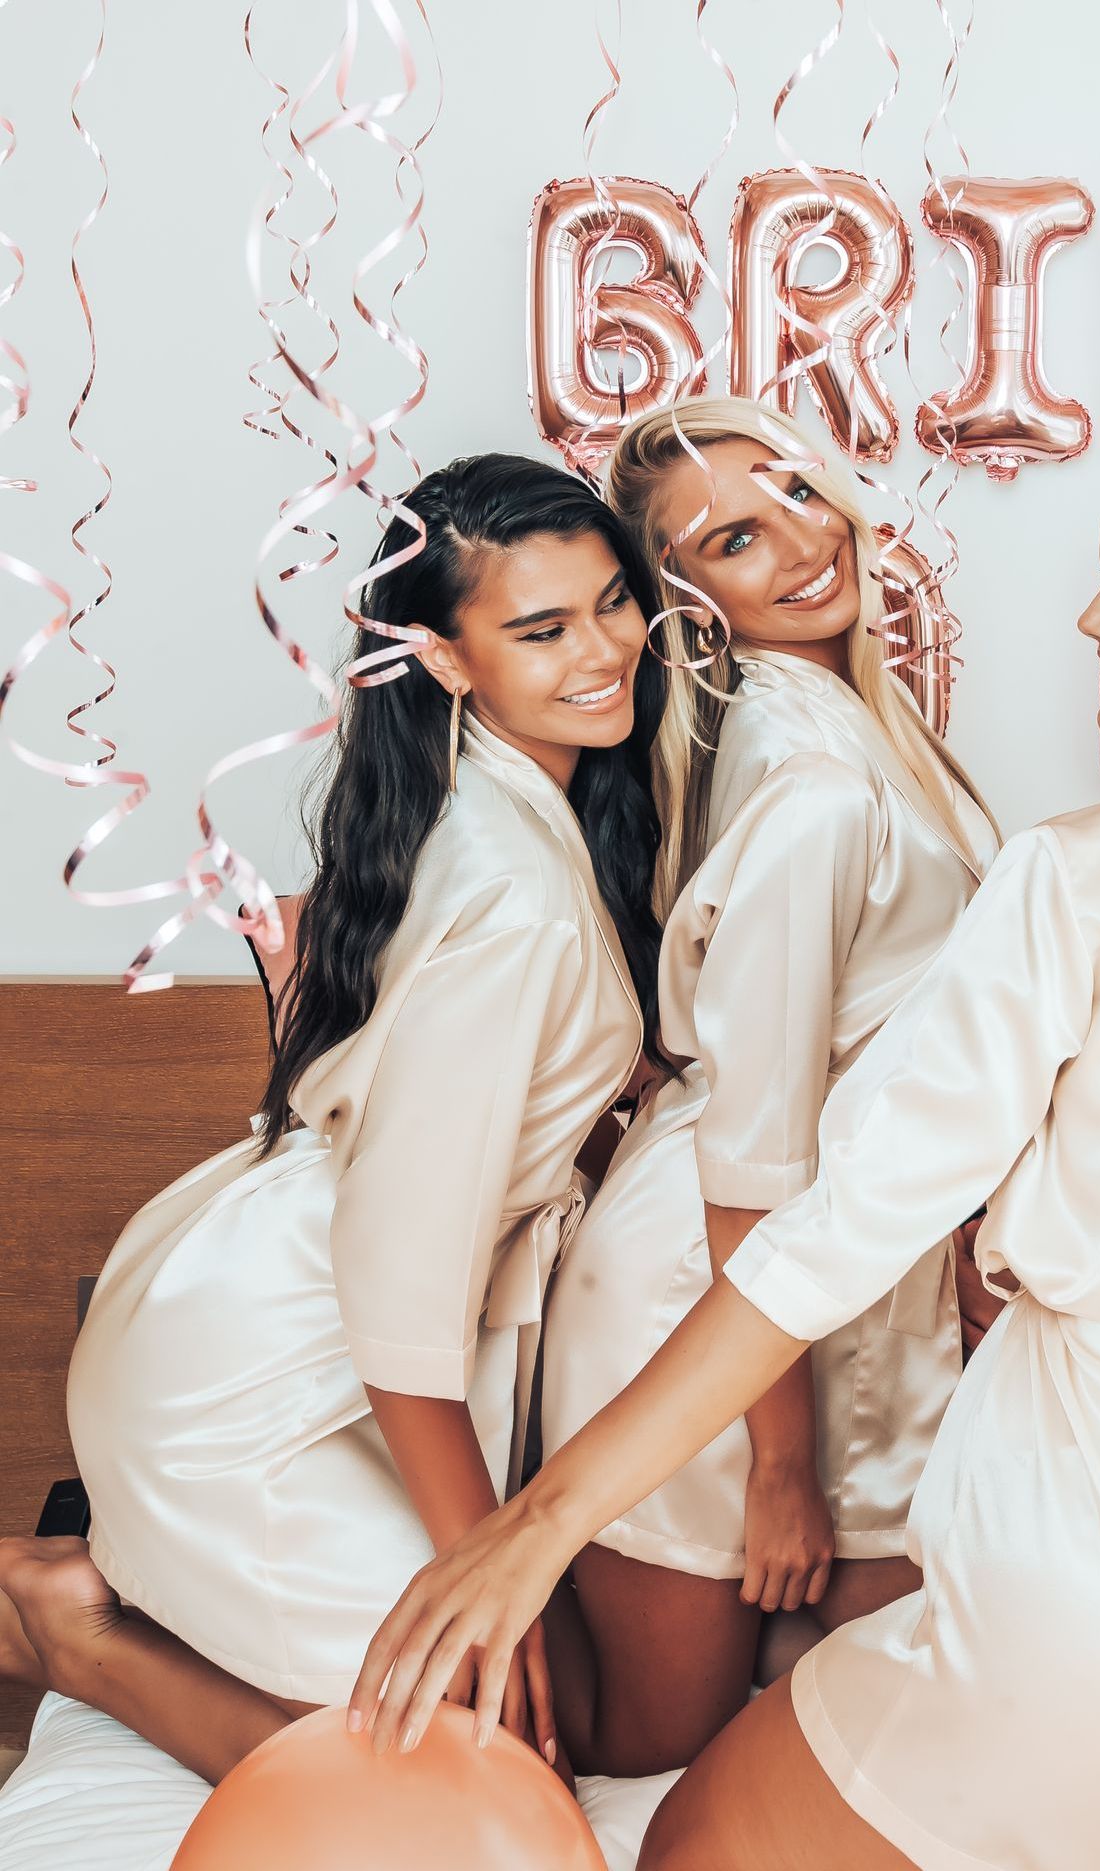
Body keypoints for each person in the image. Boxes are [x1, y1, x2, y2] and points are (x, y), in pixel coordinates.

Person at [353, 429, 1100, 1871]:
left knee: (682, 1846)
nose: (1094, 619)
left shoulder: (1081, 871)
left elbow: (830, 1233)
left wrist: (538, 1522)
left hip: (1092, 1613)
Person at [0, 453, 666, 1785]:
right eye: (541, 629)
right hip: (267, 1373)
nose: (603, 652)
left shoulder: (487, 795)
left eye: (613, 603)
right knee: (493, 1771)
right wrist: (489, 1565)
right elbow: (398, 1283)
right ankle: (74, 1630)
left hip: (255, 1295)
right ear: (443, 656)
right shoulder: (516, 891)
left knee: (567, 1710)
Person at [538, 396, 1001, 1775]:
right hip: (711, 1304)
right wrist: (781, 1470)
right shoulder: (811, 780)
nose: (804, 540)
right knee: (635, 1755)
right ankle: (80, 1626)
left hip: (846, 1315)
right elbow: (756, 1149)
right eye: (740, 536)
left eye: (800, 488)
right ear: (688, 599)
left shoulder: (860, 723)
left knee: (857, 1740)